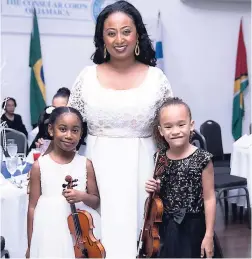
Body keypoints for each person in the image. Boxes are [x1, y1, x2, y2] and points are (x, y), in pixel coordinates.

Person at [68, 1, 173, 257]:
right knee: (96, 239)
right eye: (111, 32)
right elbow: (68, 131)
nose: (119, 39)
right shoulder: (86, 78)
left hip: (142, 172)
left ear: (137, 33)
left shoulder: (156, 79)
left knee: (139, 239)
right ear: (101, 37)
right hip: (95, 171)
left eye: (126, 31)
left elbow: (170, 132)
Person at [145, 97, 222, 258]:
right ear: (160, 131)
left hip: (195, 230)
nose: (175, 131)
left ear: (191, 125)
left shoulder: (202, 158)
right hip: (167, 230)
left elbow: (209, 198)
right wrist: (156, 188)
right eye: (168, 126)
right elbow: (164, 191)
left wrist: (208, 235)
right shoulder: (159, 158)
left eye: (181, 124)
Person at [26, 107, 101, 258]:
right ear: (51, 130)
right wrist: (30, 244)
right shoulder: (39, 165)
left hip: (79, 232)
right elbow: (32, 207)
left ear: (81, 134)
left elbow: (95, 201)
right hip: (48, 232)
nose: (69, 135)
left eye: (75, 130)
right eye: (62, 129)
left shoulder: (86, 164)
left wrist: (81, 196)